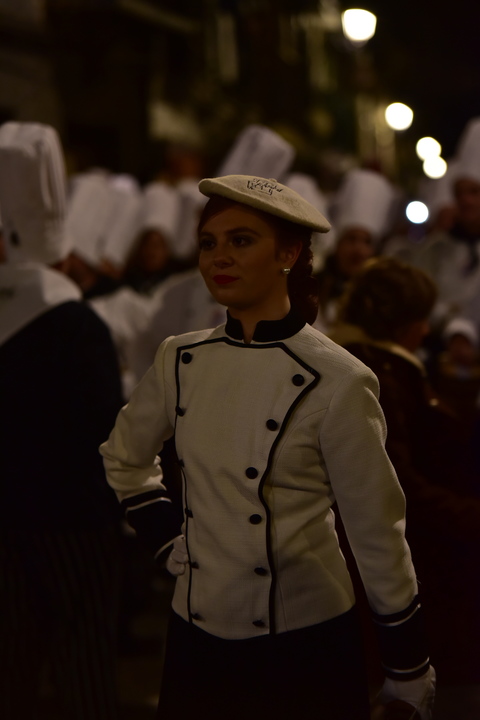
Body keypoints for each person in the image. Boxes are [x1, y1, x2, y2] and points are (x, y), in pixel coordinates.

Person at [100, 175, 435, 720]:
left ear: (288, 253)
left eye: (241, 240)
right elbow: (123, 458)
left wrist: (407, 664)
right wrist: (164, 536)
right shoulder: (179, 358)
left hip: (305, 646)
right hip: (196, 636)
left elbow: (377, 533)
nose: (219, 257)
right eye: (208, 243)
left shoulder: (340, 379)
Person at [0, 122, 124, 719]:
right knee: (84, 661)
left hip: (5, 518)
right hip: (74, 520)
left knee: (11, 664)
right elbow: (106, 427)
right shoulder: (76, 324)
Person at [330, 257, 480, 719]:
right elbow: (398, 484)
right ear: (407, 323)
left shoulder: (371, 365)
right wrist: (469, 516)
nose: (426, 330)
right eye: (422, 319)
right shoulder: (380, 376)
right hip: (408, 560)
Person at [314, 168, 396, 332]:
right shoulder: (312, 285)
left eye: (367, 242)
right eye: (351, 239)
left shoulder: (381, 299)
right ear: (338, 244)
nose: (359, 250)